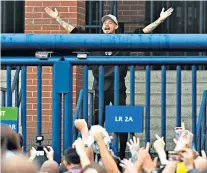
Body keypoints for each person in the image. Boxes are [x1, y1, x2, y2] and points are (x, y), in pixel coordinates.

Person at [45, 7, 174, 160]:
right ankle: (96, 153)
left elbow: (142, 33)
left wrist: (160, 20)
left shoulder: (123, 41)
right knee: (97, 121)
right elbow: (75, 32)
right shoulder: (94, 41)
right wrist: (58, 18)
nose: (106, 25)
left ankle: (120, 155)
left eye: (110, 22)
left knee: (121, 122)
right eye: (104, 22)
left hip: (118, 87)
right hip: (99, 87)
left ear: (116, 26)